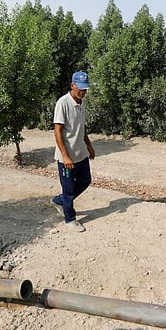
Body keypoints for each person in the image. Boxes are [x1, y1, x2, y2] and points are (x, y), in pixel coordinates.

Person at [50, 71, 95, 232]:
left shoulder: (82, 103)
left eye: (85, 89)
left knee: (85, 180)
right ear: (72, 85)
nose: (82, 92)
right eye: (80, 89)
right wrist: (65, 156)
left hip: (80, 153)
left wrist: (89, 146)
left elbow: (82, 127)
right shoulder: (63, 103)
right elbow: (57, 131)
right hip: (66, 158)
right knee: (69, 189)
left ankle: (59, 200)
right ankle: (70, 219)